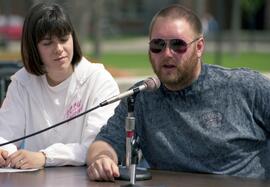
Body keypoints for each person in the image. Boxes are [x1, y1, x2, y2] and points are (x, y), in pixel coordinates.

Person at [86, 4, 270, 181]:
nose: (167, 53)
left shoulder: (245, 86)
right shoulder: (141, 97)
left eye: (178, 45)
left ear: (199, 47)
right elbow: (104, 143)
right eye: (158, 45)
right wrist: (102, 159)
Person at [0, 2, 119, 169]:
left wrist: (45, 157)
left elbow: (97, 146)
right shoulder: (22, 82)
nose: (59, 49)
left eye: (64, 39)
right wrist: (4, 152)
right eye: (47, 43)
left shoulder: (99, 80)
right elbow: (5, 135)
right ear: (33, 48)